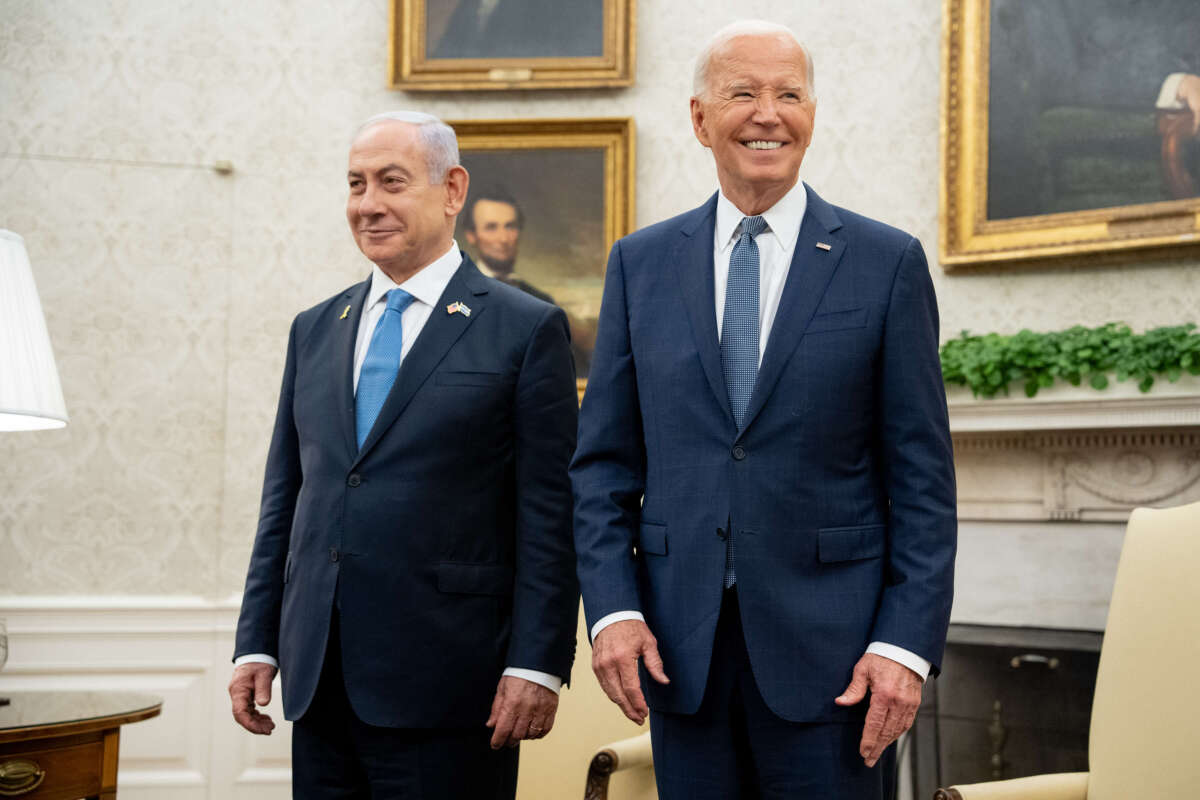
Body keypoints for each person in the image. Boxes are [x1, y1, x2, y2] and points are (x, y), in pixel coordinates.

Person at [571, 20, 957, 799]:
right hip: (680, 661)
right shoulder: (639, 266)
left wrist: (905, 647)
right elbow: (604, 468)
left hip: (840, 670)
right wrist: (613, 612)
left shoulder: (886, 264)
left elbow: (922, 483)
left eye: (790, 94)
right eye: (742, 93)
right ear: (700, 118)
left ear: (813, 113)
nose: (768, 114)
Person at [228, 111, 579, 799]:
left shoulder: (524, 327)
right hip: (318, 683)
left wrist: (537, 665)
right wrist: (257, 640)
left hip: (453, 688)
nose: (368, 204)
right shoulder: (315, 330)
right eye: (356, 184)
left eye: (391, 181)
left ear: (452, 190)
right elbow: (287, 500)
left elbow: (550, 514)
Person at [463, 188, 594, 375]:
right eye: (491, 227)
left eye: (510, 226)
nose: (503, 238)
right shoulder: (456, 293)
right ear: (471, 235)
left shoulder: (542, 301)